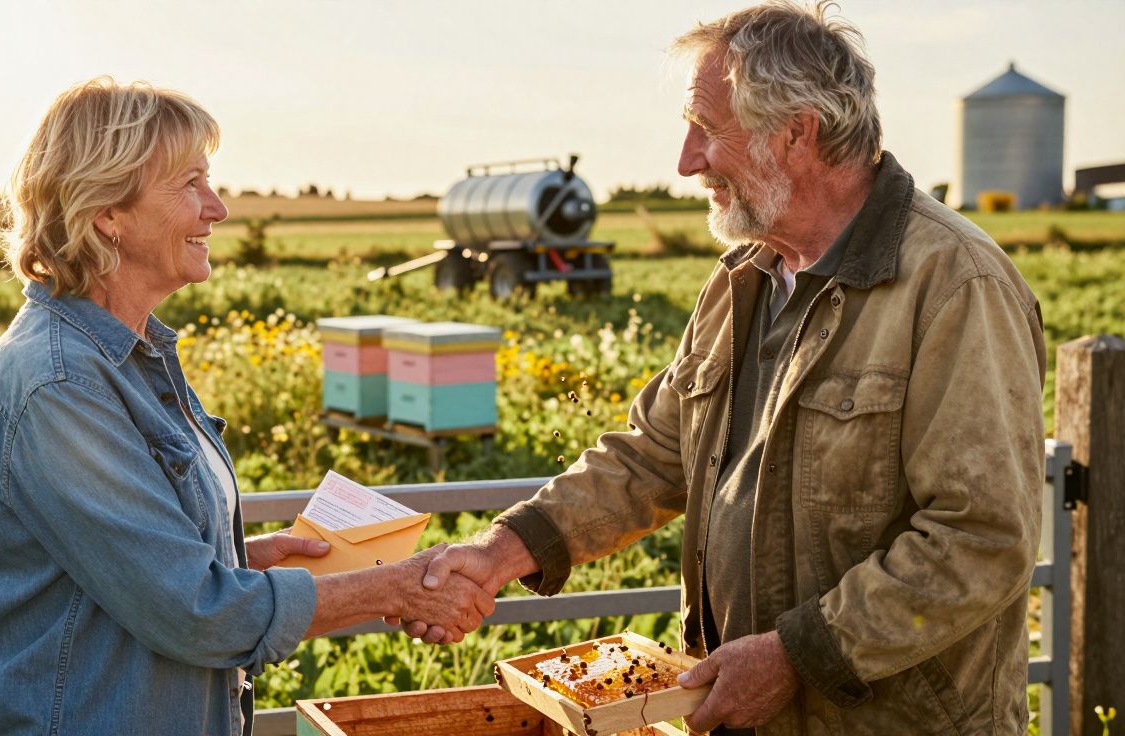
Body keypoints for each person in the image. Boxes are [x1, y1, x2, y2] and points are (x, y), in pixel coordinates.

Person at [407, 3, 1047, 733]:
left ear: (798, 133)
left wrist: (796, 656)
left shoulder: (955, 285)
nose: (685, 161)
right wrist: (506, 549)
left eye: (707, 129)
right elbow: (652, 455)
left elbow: (981, 539)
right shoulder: (744, 276)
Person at [0, 77, 492, 735]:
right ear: (106, 212)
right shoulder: (59, 387)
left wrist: (238, 559)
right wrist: (390, 588)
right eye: (190, 184)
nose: (218, 208)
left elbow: (136, 567)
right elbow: (194, 612)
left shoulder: (127, 354)